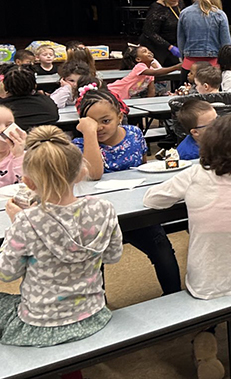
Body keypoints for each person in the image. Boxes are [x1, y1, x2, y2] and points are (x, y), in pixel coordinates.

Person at [144, 115, 231, 379]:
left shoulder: (194, 175)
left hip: (204, 280)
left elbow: (152, 200)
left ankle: (205, 340)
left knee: (208, 274)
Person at [0, 125, 123, 351]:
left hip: (41, 324)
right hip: (93, 313)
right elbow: (113, 256)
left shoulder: (26, 222)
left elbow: (6, 273)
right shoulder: (105, 208)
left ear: (28, 183)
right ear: (81, 172)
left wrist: (16, 223)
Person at [73, 88, 181, 295]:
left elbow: (143, 167)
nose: (100, 128)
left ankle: (174, 294)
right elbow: (95, 173)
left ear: (119, 117)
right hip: (98, 217)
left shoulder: (133, 134)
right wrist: (88, 134)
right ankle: (97, 304)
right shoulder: (79, 145)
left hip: (135, 209)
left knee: (162, 247)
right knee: (93, 260)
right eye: (93, 123)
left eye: (106, 121)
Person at [177, 0, 231, 82]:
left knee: (186, 96)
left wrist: (184, 57)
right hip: (213, 65)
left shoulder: (184, 14)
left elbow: (181, 42)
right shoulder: (220, 15)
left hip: (189, 65)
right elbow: (226, 45)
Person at [139, 0, 183, 67]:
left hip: (173, 45)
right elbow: (149, 32)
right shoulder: (157, 9)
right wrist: (169, 47)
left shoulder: (180, 4)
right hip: (157, 48)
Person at [0, 66, 58, 130]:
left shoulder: (2, 109)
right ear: (35, 86)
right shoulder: (47, 103)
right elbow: (55, 117)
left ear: (5, 87)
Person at [111, 46, 181, 100]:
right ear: (138, 59)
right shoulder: (140, 67)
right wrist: (175, 67)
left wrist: (149, 103)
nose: (149, 52)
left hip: (125, 96)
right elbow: (157, 72)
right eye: (145, 52)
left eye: (149, 51)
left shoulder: (150, 71)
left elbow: (151, 90)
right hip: (115, 91)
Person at [0, 106, 25, 187]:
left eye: (9, 125)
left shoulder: (22, 157)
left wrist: (19, 156)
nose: (3, 130)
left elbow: (28, 186)